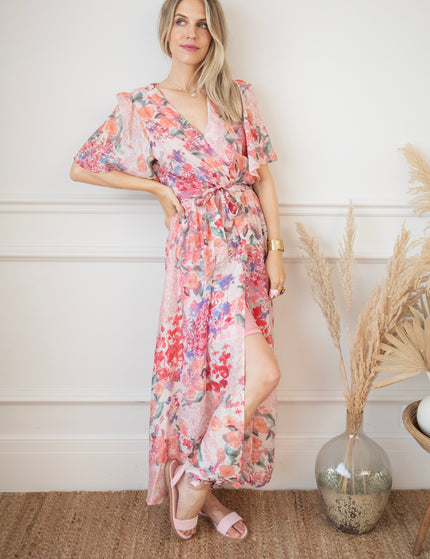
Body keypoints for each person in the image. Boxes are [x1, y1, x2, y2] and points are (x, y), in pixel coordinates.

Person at [70, 0, 286, 542]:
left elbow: (262, 177)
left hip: (247, 253)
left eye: (203, 23)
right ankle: (197, 485)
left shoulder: (237, 95)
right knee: (211, 378)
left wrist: (276, 249)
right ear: (167, 30)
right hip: (198, 260)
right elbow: (83, 167)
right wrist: (156, 187)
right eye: (183, 21)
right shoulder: (141, 106)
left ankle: (196, 478)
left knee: (244, 375)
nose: (192, 33)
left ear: (215, 35)